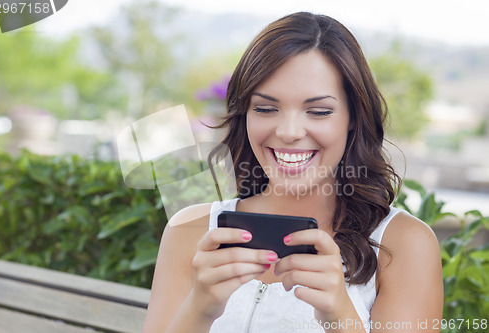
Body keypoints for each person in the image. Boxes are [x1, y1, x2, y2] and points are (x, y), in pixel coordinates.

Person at [142, 12, 443, 333]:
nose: (288, 131)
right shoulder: (190, 230)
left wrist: (340, 316)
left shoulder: (404, 244)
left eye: (318, 111)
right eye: (266, 108)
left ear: (353, 117)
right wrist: (200, 310)